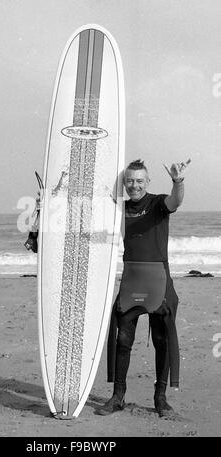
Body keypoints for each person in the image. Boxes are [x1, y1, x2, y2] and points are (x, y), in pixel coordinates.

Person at [97, 158, 191, 418]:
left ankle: (160, 399)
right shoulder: (119, 209)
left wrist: (178, 181)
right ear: (124, 184)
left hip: (158, 281)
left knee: (162, 341)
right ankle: (118, 397)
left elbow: (176, 200)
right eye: (129, 181)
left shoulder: (158, 203)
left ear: (147, 182)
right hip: (131, 281)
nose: (134, 185)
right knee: (123, 340)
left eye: (139, 181)